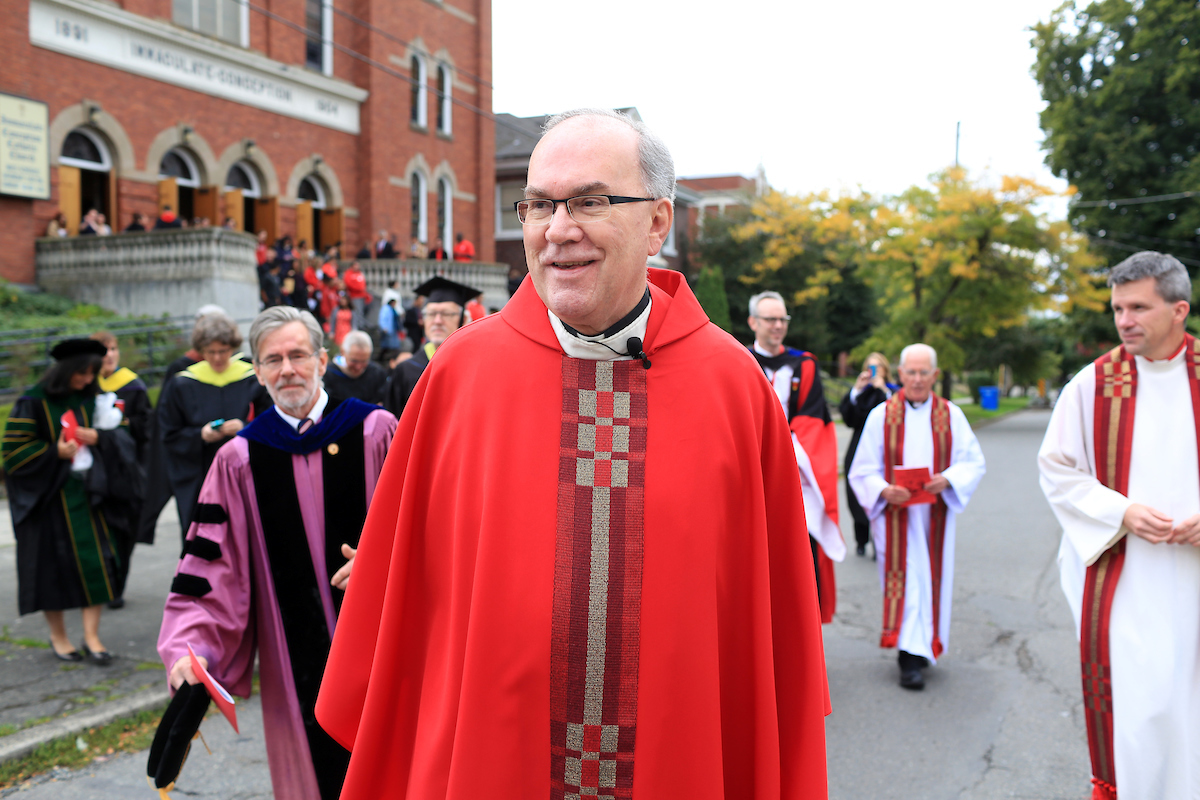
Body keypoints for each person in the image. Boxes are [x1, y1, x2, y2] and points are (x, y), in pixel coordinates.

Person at [317, 108, 829, 798]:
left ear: (656, 223)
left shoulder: (733, 387)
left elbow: (767, 625)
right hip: (490, 762)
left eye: (590, 201)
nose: (559, 230)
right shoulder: (460, 375)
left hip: (677, 763)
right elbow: (401, 600)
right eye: (538, 205)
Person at [157, 306, 396, 800]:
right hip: (295, 664)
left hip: (384, 650)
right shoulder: (239, 460)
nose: (287, 369)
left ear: (322, 360)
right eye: (272, 360)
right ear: (258, 372)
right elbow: (210, 568)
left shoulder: (375, 432)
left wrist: (385, 564)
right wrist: (191, 648)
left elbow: (429, 528)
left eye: (297, 355)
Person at [1038, 251, 1200, 799]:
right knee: (1143, 711)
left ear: (1179, 310)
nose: (1124, 320)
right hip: (1128, 582)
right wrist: (1121, 511)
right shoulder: (1093, 385)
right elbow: (1056, 469)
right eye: (1117, 309)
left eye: (1138, 307)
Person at [849, 343, 986, 690]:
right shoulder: (881, 416)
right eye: (911, 372)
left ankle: (923, 645)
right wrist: (882, 489)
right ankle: (908, 657)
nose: (917, 379)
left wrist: (949, 479)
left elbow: (973, 461)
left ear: (935, 376)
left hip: (934, 517)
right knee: (908, 583)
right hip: (895, 519)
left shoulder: (951, 415)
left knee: (931, 582)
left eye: (924, 372)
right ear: (900, 374)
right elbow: (861, 469)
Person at [3, 339, 141, 664]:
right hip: (49, 501)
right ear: (66, 371)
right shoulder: (32, 402)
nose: (86, 379)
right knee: (51, 572)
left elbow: (125, 437)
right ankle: (59, 637)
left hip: (89, 497)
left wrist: (101, 437)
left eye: (91, 373)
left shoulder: (93, 399)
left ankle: (92, 637)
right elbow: (13, 453)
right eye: (82, 373)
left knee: (97, 566)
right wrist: (53, 453)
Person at [747, 290, 844, 623]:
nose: (778, 326)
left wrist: (785, 448)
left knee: (801, 546)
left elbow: (815, 422)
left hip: (796, 470)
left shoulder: (804, 365)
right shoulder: (739, 361)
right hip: (751, 470)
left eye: (782, 319)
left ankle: (803, 623)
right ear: (753, 322)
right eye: (770, 319)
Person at [158, 313, 265, 536]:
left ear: (233, 347)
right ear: (200, 351)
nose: (217, 358)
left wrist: (245, 427)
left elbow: (271, 420)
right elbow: (169, 433)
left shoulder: (252, 378)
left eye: (223, 351)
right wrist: (201, 435)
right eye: (210, 352)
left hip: (247, 472)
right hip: (202, 474)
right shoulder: (183, 383)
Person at [91, 331, 154, 609]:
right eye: (104, 350)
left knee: (124, 529)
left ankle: (117, 585)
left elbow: (147, 428)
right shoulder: (85, 385)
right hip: (95, 469)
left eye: (114, 349)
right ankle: (99, 584)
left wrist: (123, 424)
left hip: (127, 469)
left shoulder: (133, 386)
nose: (110, 355)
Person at [382, 275, 477, 417]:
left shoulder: (475, 368)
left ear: (463, 319)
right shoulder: (406, 370)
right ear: (423, 320)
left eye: (446, 314)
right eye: (431, 314)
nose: (437, 321)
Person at [840, 352, 892, 557]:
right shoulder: (861, 392)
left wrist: (884, 389)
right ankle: (861, 539)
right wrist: (856, 390)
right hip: (858, 445)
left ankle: (879, 540)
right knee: (856, 493)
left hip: (883, 448)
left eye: (877, 367)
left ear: (885, 370)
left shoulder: (890, 391)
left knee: (880, 493)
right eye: (870, 367)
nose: (873, 371)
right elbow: (848, 418)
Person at [325, 331, 388, 404]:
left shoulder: (378, 374)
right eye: (354, 361)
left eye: (364, 361)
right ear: (343, 352)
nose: (358, 367)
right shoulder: (329, 374)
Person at [342, 261, 372, 331]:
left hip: (362, 296)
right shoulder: (348, 273)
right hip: (355, 296)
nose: (357, 267)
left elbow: (363, 284)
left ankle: (362, 324)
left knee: (361, 311)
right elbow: (348, 283)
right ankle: (357, 326)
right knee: (356, 311)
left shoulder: (359, 273)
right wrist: (359, 288)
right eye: (356, 265)